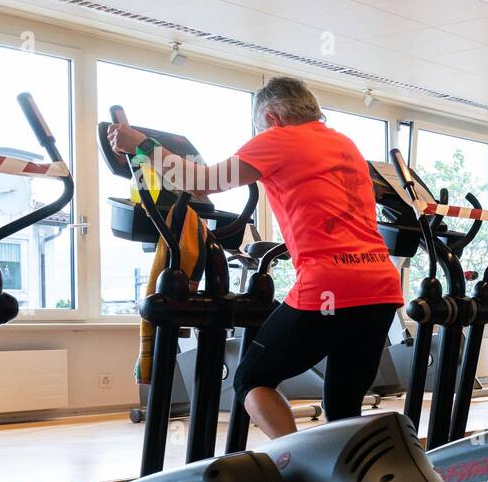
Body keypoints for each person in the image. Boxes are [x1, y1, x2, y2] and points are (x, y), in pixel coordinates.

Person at [108, 76, 404, 439]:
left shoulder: (278, 138)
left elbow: (198, 182)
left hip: (331, 284)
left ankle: (297, 463)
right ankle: (341, 481)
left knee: (252, 378)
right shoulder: (343, 144)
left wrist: (141, 144)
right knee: (343, 403)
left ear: (272, 116)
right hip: (382, 286)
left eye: (259, 125)